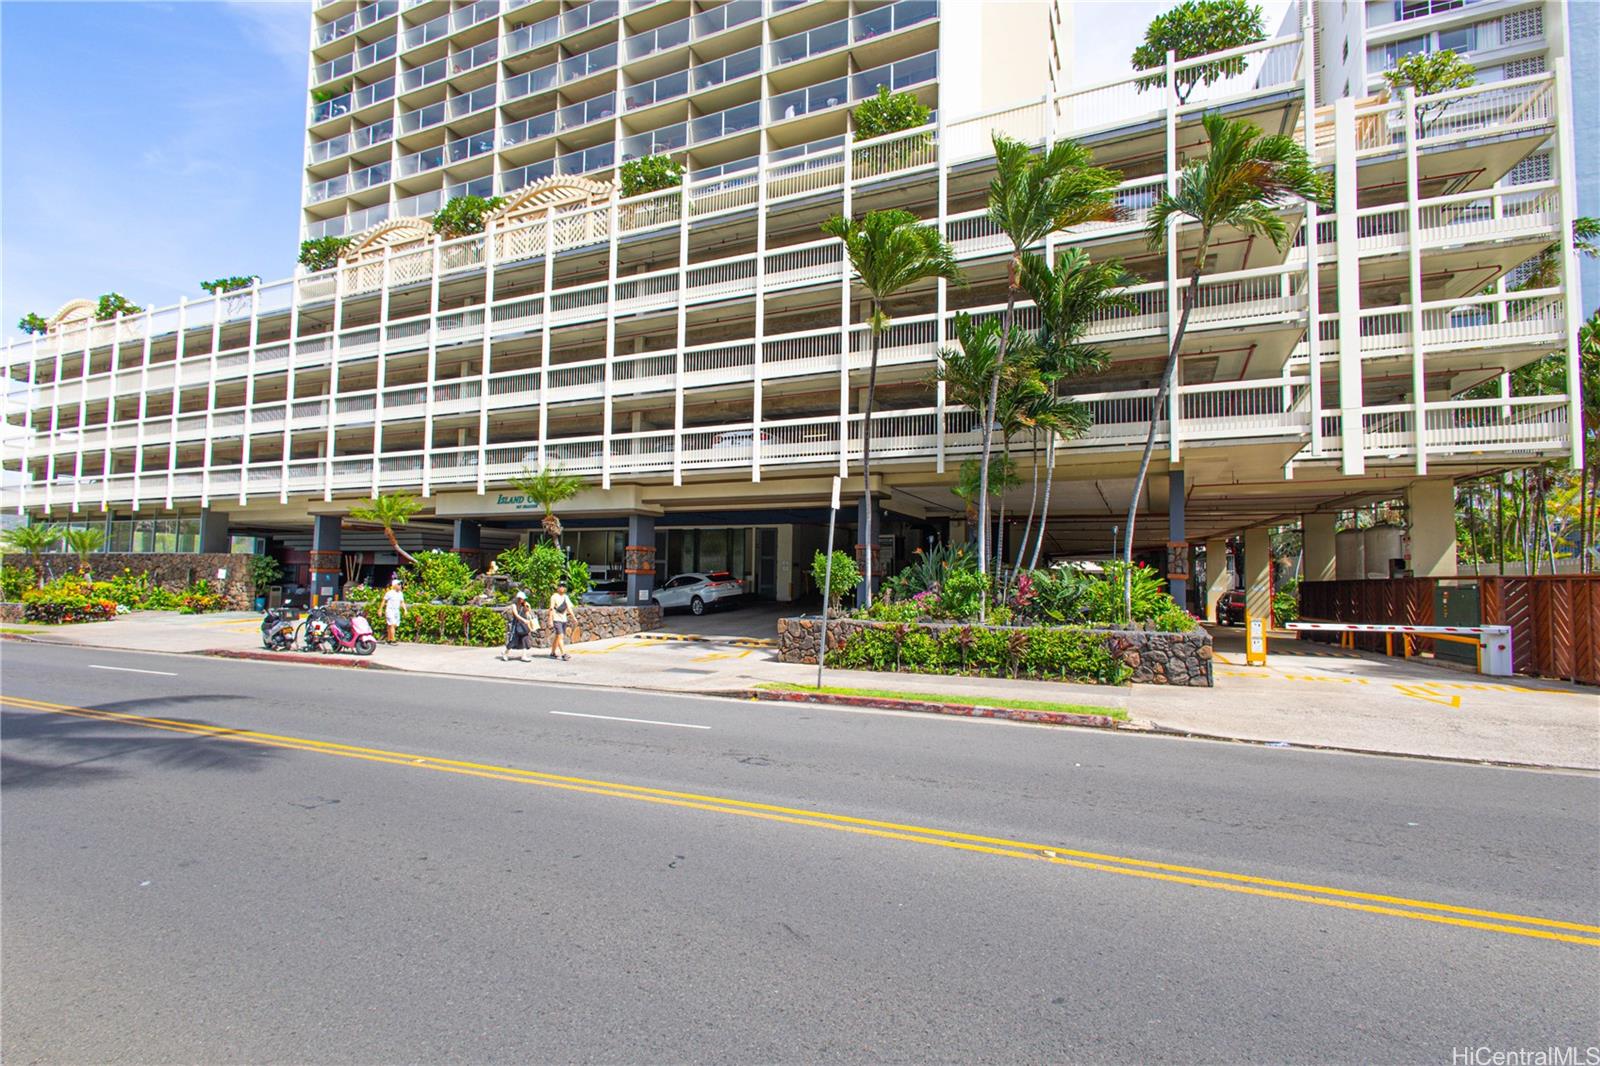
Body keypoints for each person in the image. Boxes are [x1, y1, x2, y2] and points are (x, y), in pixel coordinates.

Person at [500, 591, 537, 663]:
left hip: (524, 625)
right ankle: (505, 652)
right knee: (513, 640)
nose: (522, 600)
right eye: (521, 598)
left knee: (525, 639)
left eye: (523, 599)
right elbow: (516, 615)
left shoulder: (525, 605)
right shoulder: (514, 605)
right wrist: (524, 620)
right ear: (518, 598)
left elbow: (528, 614)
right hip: (516, 624)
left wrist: (528, 608)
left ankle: (524, 656)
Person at [547, 580, 576, 661]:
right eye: (560, 586)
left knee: (557, 636)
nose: (562, 588)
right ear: (557, 588)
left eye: (563, 586)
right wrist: (550, 619)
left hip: (564, 619)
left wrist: (574, 617)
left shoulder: (565, 597)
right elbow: (551, 608)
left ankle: (552, 653)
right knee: (561, 636)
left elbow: (569, 608)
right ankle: (563, 654)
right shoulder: (554, 596)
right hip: (556, 619)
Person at [381, 578, 405, 643]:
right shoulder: (389, 593)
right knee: (392, 624)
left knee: (393, 625)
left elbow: (402, 602)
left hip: (396, 611)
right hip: (389, 610)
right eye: (399, 584)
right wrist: (380, 609)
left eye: (400, 584)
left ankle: (389, 639)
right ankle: (393, 639)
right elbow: (383, 601)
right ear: (394, 585)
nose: (400, 586)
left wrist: (405, 610)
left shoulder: (400, 593)